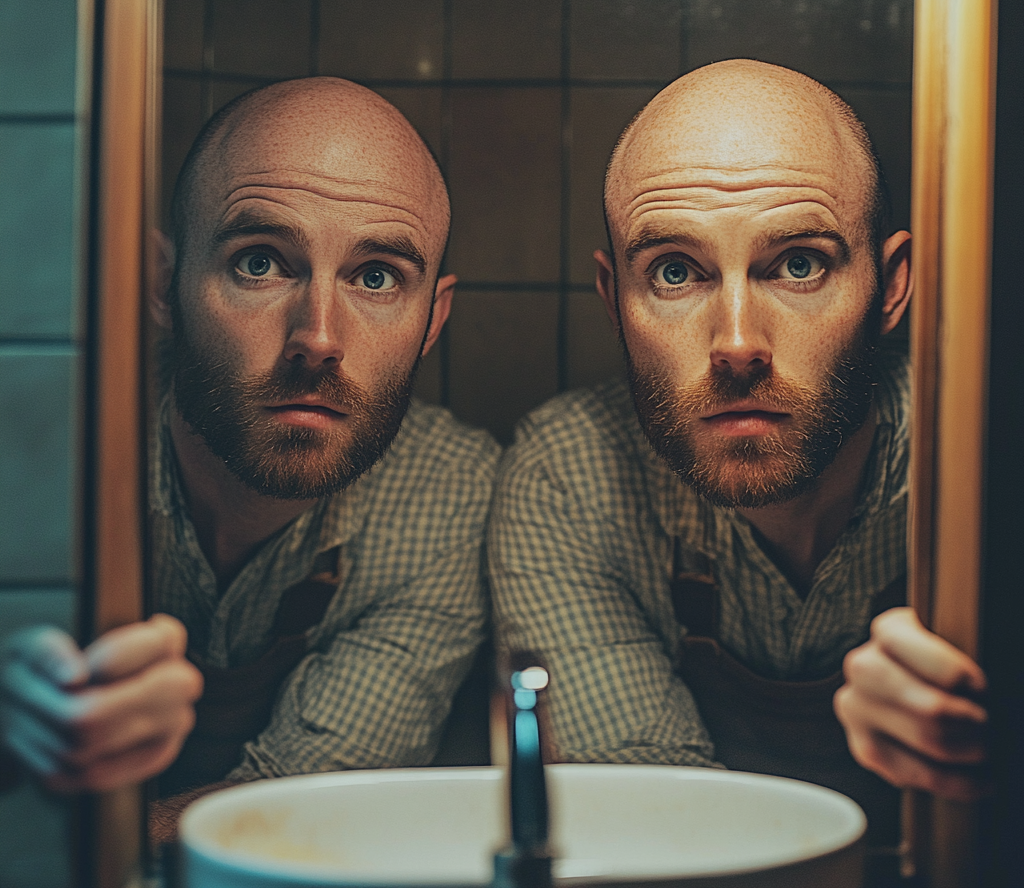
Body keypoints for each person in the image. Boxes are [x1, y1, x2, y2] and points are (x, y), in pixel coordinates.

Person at [488, 60, 987, 872]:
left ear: (891, 287)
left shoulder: (976, 464)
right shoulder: (570, 478)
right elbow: (659, 822)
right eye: (676, 273)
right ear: (616, 300)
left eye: (798, 264)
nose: (737, 343)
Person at [0, 78, 500, 830]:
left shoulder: (452, 498)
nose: (320, 337)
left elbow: (303, 805)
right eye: (260, 263)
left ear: (433, 319)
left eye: (375, 277)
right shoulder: (42, 464)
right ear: (164, 286)